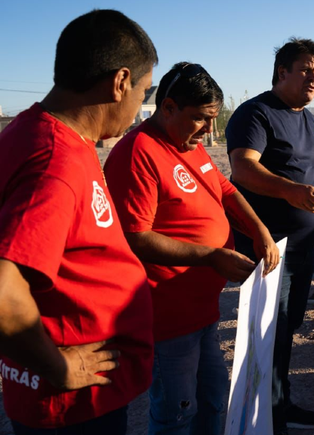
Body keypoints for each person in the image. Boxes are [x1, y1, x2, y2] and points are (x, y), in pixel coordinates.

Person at [0, 10, 156, 434]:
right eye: (144, 91)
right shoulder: (57, 162)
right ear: (121, 81)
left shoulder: (37, 132)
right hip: (70, 405)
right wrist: (58, 367)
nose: (140, 106)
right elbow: (3, 290)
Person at [104, 63, 280, 434]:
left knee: (213, 400)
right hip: (168, 317)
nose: (209, 131)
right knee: (176, 413)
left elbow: (226, 190)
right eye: (201, 118)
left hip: (202, 312)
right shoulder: (138, 152)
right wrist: (211, 256)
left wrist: (258, 228)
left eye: (213, 120)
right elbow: (135, 237)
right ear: (168, 108)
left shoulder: (189, 144)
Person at [225, 37, 314, 434]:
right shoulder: (256, 113)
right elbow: (243, 169)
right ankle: (262, 417)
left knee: (285, 327)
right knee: (266, 334)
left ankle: (278, 403)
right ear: (282, 72)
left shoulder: (308, 117)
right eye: (307, 70)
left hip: (301, 250)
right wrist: (289, 190)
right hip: (268, 248)